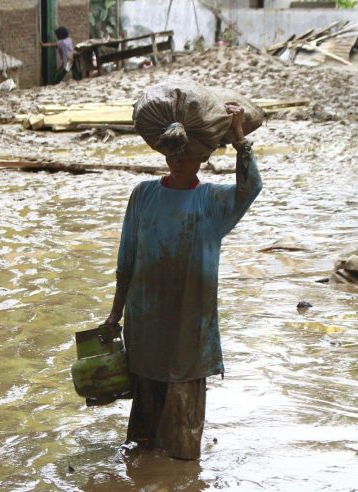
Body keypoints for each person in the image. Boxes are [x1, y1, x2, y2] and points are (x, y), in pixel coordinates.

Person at [104, 103, 262, 460]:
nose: (179, 162)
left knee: (182, 425)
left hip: (191, 322)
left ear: (203, 159)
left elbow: (250, 186)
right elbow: (125, 259)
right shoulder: (143, 194)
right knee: (144, 423)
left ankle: (179, 473)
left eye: (188, 157)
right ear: (164, 154)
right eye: (174, 154)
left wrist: (240, 140)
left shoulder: (212, 201)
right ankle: (146, 471)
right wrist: (115, 313)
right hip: (145, 319)